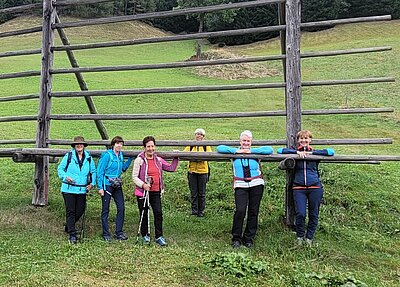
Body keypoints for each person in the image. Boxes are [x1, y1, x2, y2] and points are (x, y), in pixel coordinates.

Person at [277, 130, 334, 247]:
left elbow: (331, 151)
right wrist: (297, 153)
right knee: (300, 213)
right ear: (298, 140)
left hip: (315, 187)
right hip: (299, 188)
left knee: (314, 214)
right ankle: (299, 237)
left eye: (306, 138)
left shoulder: (314, 153)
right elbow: (280, 150)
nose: (304, 141)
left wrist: (312, 154)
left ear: (310, 140)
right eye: (301, 139)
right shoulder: (295, 152)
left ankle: (309, 238)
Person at [217, 130, 273, 248]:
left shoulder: (255, 151)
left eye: (248, 141)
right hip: (240, 184)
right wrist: (236, 151)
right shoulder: (235, 152)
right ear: (240, 141)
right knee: (240, 210)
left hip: (256, 183)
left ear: (251, 142)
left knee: (253, 211)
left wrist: (250, 151)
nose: (246, 143)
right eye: (244, 141)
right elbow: (220, 148)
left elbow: (269, 150)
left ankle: (249, 238)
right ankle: (236, 238)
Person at [132, 136, 179, 246]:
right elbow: (134, 177)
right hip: (143, 191)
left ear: (155, 147)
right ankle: (145, 235)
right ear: (144, 147)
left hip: (156, 191)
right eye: (148, 146)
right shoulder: (139, 160)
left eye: (152, 146)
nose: (151, 149)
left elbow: (171, 168)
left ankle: (159, 236)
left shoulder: (158, 160)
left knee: (158, 213)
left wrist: (176, 157)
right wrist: (143, 185)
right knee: (144, 213)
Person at [57, 136, 96, 244]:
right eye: (77, 144)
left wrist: (92, 183)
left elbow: (93, 171)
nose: (79, 146)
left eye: (81, 144)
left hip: (82, 189)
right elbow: (60, 168)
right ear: (74, 146)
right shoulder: (68, 156)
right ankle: (72, 234)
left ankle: (69, 226)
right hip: (68, 189)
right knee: (71, 211)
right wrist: (65, 177)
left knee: (80, 210)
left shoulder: (88, 157)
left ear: (84, 146)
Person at [97, 136, 133, 242]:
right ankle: (106, 233)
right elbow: (100, 171)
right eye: (117, 143)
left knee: (121, 208)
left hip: (117, 184)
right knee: (105, 209)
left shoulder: (120, 155)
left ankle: (119, 232)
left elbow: (123, 168)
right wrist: (100, 187)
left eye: (121, 144)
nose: (119, 145)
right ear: (113, 144)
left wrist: (130, 158)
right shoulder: (107, 155)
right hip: (107, 184)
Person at [184, 128, 212, 217]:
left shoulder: (206, 145)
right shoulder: (191, 145)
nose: (198, 136)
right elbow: (184, 153)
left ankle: (201, 211)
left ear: (203, 136)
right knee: (193, 193)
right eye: (197, 134)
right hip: (192, 171)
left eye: (200, 134)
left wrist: (196, 158)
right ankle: (194, 211)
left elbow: (210, 155)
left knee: (202, 193)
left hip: (203, 172)